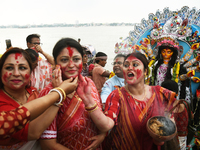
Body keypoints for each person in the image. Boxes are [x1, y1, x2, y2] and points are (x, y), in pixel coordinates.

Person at [0, 47, 78, 149]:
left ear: (31, 72)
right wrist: (60, 93)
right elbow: (32, 132)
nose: (16, 73)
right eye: (9, 68)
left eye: (22, 68)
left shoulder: (33, 92)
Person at [39, 38, 106, 150]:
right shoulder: (49, 93)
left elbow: (99, 116)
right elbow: (47, 144)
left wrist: (102, 135)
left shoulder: (89, 83)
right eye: (64, 60)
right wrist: (59, 94)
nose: (71, 65)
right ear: (55, 63)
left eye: (76, 59)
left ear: (83, 60)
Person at [102, 52, 178, 149]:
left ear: (146, 71)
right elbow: (107, 123)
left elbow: (169, 123)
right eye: (126, 65)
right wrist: (91, 104)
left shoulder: (160, 94)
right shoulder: (116, 95)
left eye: (135, 64)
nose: (129, 68)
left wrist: (161, 136)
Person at [148, 37, 190, 102]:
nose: (165, 54)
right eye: (163, 51)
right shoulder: (156, 63)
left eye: (169, 52)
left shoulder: (176, 65)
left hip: (170, 90)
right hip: (157, 88)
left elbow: (179, 78)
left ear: (173, 53)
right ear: (160, 52)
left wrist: (187, 75)